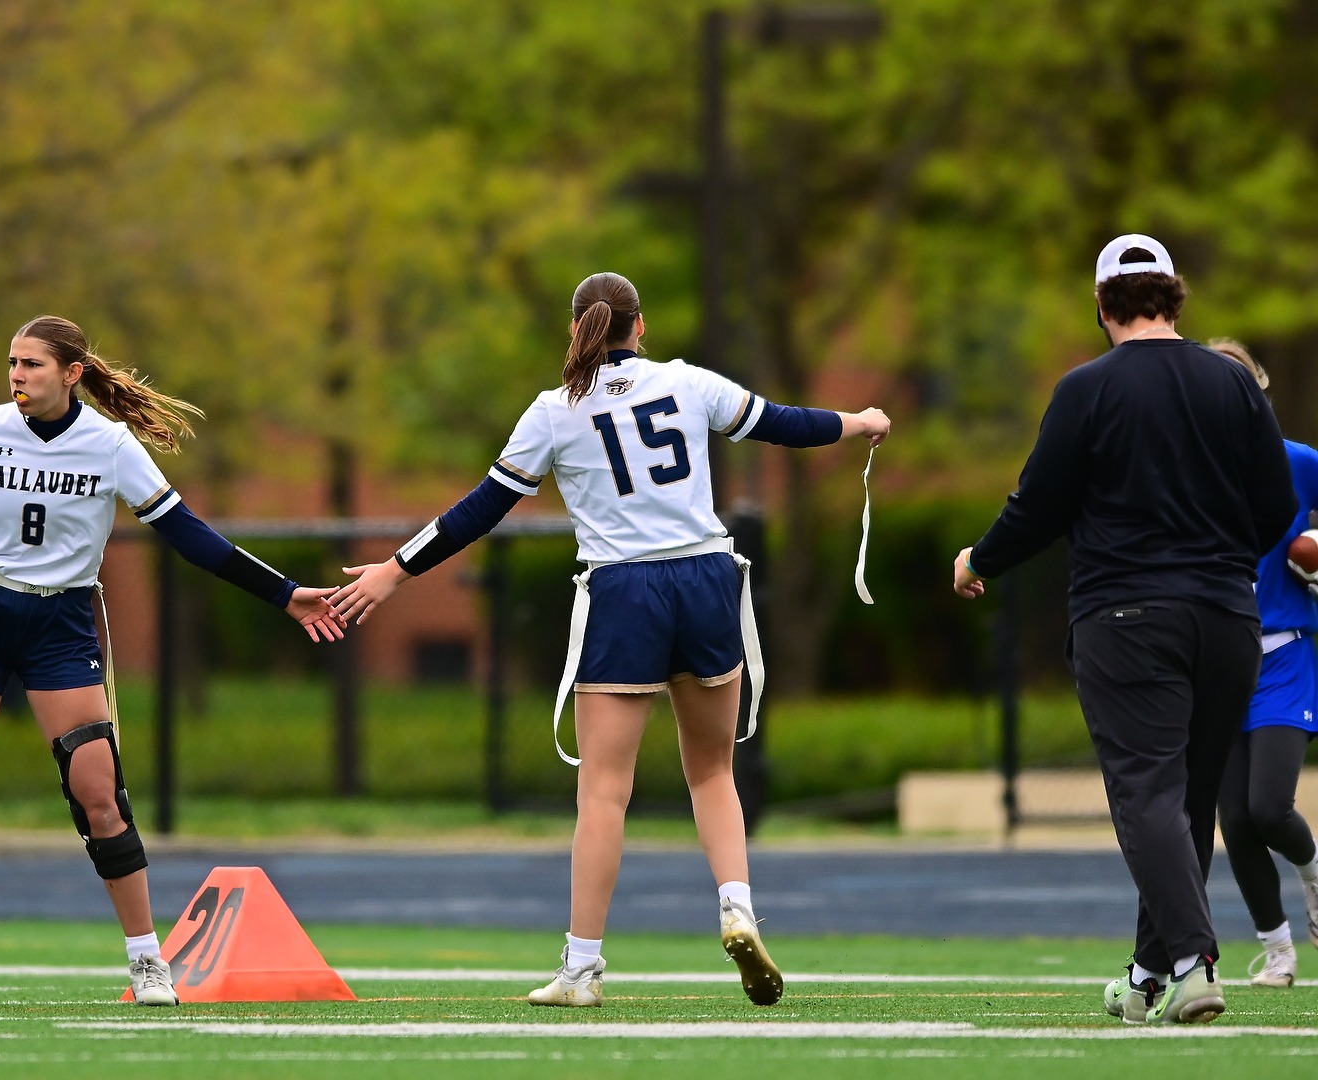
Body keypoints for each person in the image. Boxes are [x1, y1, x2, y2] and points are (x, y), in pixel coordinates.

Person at [331, 272, 889, 1008]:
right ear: (641, 327)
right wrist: (861, 421)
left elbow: (477, 511)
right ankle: (737, 909)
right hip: (707, 579)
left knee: (603, 791)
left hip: (627, 593)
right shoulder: (688, 383)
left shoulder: (553, 412)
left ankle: (582, 969)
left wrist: (392, 572)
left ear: (576, 331)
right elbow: (785, 423)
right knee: (712, 773)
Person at [0, 314, 343, 1009]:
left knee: (100, 796)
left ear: (72, 373)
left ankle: (148, 961)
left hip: (59, 624)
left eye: (33, 365)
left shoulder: (110, 446)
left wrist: (285, 593)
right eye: (13, 364)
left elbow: (188, 536)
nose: (18, 376)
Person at [953, 236, 1297, 1025]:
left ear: (1103, 305)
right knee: (1187, 802)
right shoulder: (1233, 384)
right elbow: (1278, 503)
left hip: (1126, 615)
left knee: (1145, 792)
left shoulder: (1087, 389)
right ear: (1174, 297)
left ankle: (1192, 962)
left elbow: (1037, 504)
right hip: (1228, 617)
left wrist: (981, 559)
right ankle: (1148, 975)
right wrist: (1220, 555)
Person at [1204, 339, 1318, 989]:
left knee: (1269, 806)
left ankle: (1313, 873)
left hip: (1281, 654)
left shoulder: (1296, 462)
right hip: (1218, 657)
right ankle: (1277, 951)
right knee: (1235, 819)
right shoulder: (1187, 471)